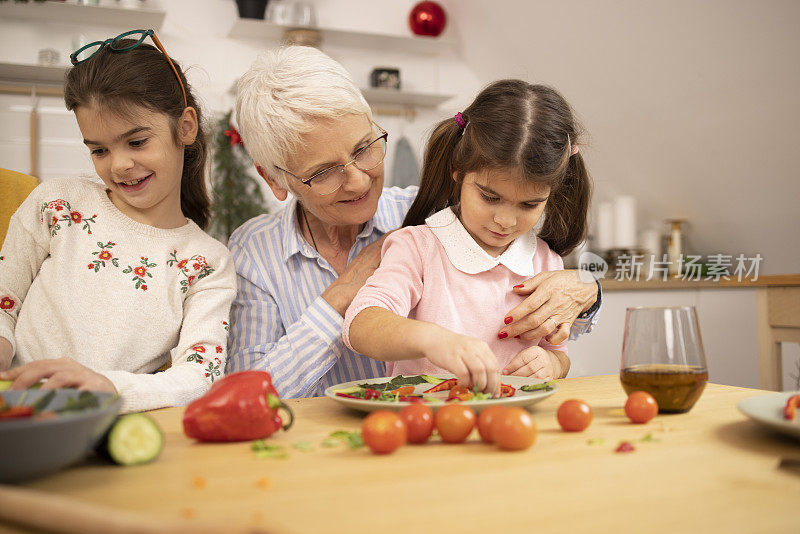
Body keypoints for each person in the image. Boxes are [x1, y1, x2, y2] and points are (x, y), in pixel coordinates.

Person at [227, 46, 601, 399]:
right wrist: (340, 298)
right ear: (274, 179)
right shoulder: (257, 252)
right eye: (323, 172)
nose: (359, 180)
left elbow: (561, 335)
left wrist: (587, 289)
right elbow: (247, 396)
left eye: (364, 148)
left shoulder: (440, 210)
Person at [0, 30, 236, 413]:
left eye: (137, 142)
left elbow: (200, 375)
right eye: (99, 150)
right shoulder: (57, 204)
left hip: (103, 427)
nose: (119, 165)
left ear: (186, 127)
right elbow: (3, 301)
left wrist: (108, 388)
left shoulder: (207, 263)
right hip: (13, 413)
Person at [343, 81, 591, 396]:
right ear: (458, 171)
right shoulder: (418, 247)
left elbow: (559, 353)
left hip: (511, 427)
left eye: (529, 205)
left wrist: (551, 365)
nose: (506, 220)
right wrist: (433, 340)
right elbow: (361, 324)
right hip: (430, 423)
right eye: (490, 197)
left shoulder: (546, 261)